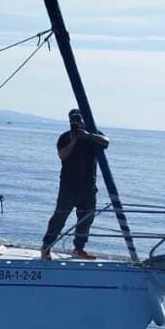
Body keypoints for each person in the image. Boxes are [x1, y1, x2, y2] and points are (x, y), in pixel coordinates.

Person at [41, 109, 109, 260]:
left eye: (78, 119)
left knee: (86, 219)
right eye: (73, 119)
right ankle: (46, 248)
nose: (76, 122)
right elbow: (62, 155)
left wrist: (89, 135)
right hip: (68, 187)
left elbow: (106, 142)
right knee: (59, 218)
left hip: (88, 187)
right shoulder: (65, 137)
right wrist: (74, 140)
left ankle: (79, 248)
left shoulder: (93, 134)